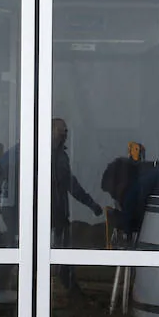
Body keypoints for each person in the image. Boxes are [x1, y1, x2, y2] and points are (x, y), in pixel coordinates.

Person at [51, 117, 103, 288]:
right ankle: (66, 291)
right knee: (57, 255)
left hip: (57, 215)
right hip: (51, 216)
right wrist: (91, 204)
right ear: (51, 130)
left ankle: (68, 291)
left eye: (66, 131)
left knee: (60, 254)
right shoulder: (50, 156)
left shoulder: (58, 156)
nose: (65, 134)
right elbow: (71, 185)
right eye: (62, 130)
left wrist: (91, 204)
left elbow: (70, 184)